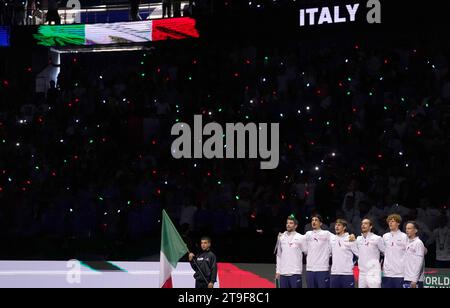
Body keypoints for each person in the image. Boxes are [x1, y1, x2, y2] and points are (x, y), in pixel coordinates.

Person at [275, 215, 306, 288]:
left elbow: (306, 252)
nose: (288, 225)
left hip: (295, 273)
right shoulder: (281, 237)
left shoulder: (301, 237)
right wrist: (278, 271)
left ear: (295, 226)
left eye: (291, 223)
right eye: (287, 223)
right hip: (283, 273)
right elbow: (279, 255)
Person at [354, 218, 385, 288]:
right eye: (362, 224)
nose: (363, 225)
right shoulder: (358, 239)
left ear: (371, 226)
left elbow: (385, 252)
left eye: (365, 223)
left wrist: (383, 266)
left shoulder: (377, 238)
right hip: (362, 273)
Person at [304, 214, 333, 288]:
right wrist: (284, 234)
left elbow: (338, 238)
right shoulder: (308, 234)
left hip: (322, 269)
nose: (314, 222)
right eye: (312, 220)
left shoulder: (326, 233)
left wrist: (349, 236)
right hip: (310, 269)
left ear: (320, 223)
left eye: (316, 220)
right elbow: (297, 240)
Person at [329, 219, 358, 288]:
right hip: (334, 274)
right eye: (336, 225)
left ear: (344, 227)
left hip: (347, 274)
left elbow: (359, 254)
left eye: (339, 225)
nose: (336, 227)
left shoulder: (350, 239)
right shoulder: (332, 239)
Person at [382, 214, 408, 288]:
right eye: (389, 221)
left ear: (398, 223)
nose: (390, 223)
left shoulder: (404, 236)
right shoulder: (384, 236)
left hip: (400, 273)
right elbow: (383, 252)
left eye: (392, 221)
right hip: (387, 273)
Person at [403, 221, 425, 288]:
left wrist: (415, 280)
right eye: (406, 229)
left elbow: (419, 263)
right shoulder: (406, 242)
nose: (407, 230)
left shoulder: (418, 243)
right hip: (406, 277)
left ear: (415, 230)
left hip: (414, 280)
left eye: (409, 228)